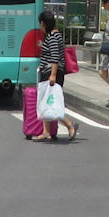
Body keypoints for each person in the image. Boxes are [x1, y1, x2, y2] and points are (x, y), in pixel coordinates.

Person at [33, 9, 78, 142]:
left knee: (52, 104)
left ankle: (70, 125)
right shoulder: (55, 35)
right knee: (47, 102)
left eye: (40, 24)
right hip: (49, 72)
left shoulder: (52, 37)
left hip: (52, 74)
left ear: (43, 23)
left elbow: (55, 57)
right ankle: (46, 131)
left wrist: (52, 75)